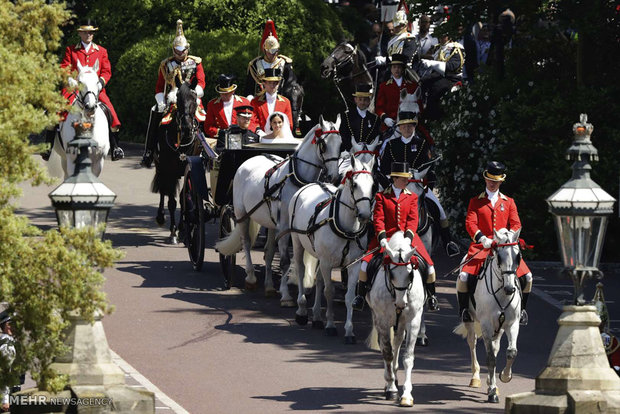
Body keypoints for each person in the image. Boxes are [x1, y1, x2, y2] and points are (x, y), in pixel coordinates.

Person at [352, 162, 438, 311]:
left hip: (408, 237)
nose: (407, 181)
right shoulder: (381, 196)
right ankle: (360, 296)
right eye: (404, 179)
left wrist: (408, 238)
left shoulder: (412, 198)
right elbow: (378, 219)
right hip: (387, 237)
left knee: (429, 266)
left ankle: (431, 296)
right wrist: (383, 238)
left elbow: (413, 220)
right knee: (365, 264)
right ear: (395, 179)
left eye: (407, 178)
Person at [457, 161, 532, 324]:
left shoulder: (509, 202)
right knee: (464, 276)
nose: (492, 184)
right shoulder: (476, 201)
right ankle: (465, 310)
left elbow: (516, 224)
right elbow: (470, 223)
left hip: (504, 248)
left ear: (501, 181)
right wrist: (482, 238)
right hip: (483, 246)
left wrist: (509, 237)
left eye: (496, 181)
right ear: (485, 179)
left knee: (528, 277)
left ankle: (522, 310)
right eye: (490, 180)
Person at [379, 111, 459, 256]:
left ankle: (448, 242)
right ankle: (373, 239)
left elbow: (430, 168)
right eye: (404, 126)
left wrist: (430, 185)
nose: (407, 129)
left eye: (410, 126)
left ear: (414, 127)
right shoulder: (391, 145)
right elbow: (384, 168)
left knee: (440, 210)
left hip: (418, 184)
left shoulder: (422, 144)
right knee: (375, 207)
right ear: (399, 127)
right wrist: (391, 182)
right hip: (395, 185)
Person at [42, 20, 124, 162]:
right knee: (56, 112)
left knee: (111, 113)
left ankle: (116, 147)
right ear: (80, 33)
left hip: (95, 90)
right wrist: (69, 79)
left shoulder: (101, 51)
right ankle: (48, 147)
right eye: (85, 32)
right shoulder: (71, 50)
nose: (88, 35)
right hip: (74, 89)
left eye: (91, 32)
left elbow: (106, 71)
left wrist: (100, 83)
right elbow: (64, 67)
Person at [141, 19, 206, 168]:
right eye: (177, 51)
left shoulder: (196, 63)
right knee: (155, 112)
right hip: (172, 98)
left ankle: (205, 150)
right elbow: (159, 87)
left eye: (182, 51)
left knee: (202, 118)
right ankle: (149, 151)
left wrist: (195, 92)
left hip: (190, 96)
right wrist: (160, 100)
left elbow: (201, 81)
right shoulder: (166, 64)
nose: (180, 54)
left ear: (187, 49)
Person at [419, 26, 465, 121]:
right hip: (437, 76)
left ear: (449, 36)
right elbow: (427, 57)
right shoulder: (436, 48)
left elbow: (453, 66)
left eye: (443, 35)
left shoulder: (456, 48)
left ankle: (435, 116)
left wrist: (433, 63)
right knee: (421, 81)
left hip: (451, 78)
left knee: (437, 87)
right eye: (439, 35)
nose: (440, 38)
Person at [245, 19, 296, 100]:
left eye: (274, 51)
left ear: (278, 49)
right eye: (269, 51)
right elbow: (249, 88)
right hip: (259, 101)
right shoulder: (255, 64)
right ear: (264, 50)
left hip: (280, 100)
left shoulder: (284, 63)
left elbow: (290, 85)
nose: (272, 54)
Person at [204, 74, 252, 148]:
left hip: (242, 139)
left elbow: (251, 122)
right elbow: (208, 126)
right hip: (222, 141)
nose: (224, 96)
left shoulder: (244, 102)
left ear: (233, 91)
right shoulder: (212, 104)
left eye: (227, 93)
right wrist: (219, 132)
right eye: (222, 93)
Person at [375, 54, 419, 131]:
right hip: (391, 124)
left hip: (409, 123)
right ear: (391, 69)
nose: (396, 70)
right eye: (394, 67)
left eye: (399, 67)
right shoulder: (384, 86)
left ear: (402, 69)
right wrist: (385, 118)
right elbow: (379, 108)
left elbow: (419, 106)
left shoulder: (412, 86)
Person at [250, 68, 293, 135]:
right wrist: (259, 131)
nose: (272, 85)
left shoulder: (285, 102)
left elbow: (289, 123)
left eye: (275, 83)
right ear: (264, 83)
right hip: (261, 138)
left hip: (280, 138)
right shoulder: (255, 102)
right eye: (270, 83)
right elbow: (252, 121)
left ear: (279, 84)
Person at [339, 84, 381, 153]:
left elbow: (376, 136)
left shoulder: (374, 118)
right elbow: (343, 134)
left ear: (369, 101)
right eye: (360, 99)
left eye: (365, 100)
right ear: (355, 100)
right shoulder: (346, 116)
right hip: (350, 152)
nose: (362, 102)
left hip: (368, 153)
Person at [0, 311, 18, 413]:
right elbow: (4, 373)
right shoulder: (6, 345)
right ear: (3, 326)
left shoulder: (10, 341)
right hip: (8, 394)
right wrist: (5, 399)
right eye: (9, 324)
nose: (12, 327)